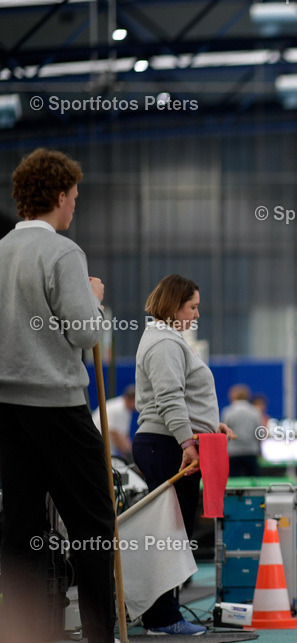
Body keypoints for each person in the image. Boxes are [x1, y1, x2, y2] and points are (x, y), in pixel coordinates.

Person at [0, 148, 115, 643]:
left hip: (8, 410)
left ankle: (23, 631)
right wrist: (95, 299)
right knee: (93, 525)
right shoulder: (64, 253)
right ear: (61, 196)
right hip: (58, 408)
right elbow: (86, 333)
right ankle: (98, 633)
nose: (75, 206)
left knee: (20, 528)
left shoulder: (1, 249)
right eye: (75, 197)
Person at [133, 273, 234, 636]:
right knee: (172, 534)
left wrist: (209, 428)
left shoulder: (169, 340)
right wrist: (188, 445)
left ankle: (163, 614)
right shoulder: (164, 344)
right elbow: (170, 399)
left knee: (175, 532)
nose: (196, 314)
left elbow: (182, 400)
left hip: (170, 443)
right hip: (167, 446)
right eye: (193, 307)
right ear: (174, 306)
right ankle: (162, 618)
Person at [222, 384, 263, 477]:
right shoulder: (255, 412)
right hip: (251, 452)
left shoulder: (228, 412)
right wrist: (259, 450)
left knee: (232, 483)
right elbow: (259, 433)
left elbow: (224, 433)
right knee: (254, 482)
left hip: (233, 453)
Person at [92, 384, 135, 460]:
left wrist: (131, 455)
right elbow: (114, 433)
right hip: (99, 448)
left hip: (107, 449)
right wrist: (128, 455)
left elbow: (124, 436)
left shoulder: (126, 410)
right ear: (132, 400)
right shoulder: (118, 408)